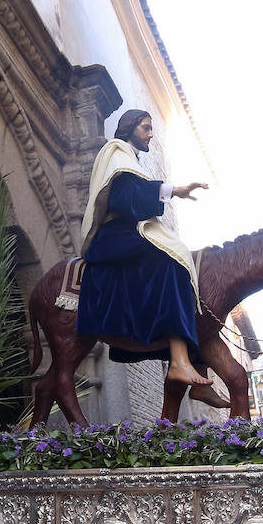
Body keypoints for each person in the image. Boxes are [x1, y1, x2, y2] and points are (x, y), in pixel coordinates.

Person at [78, 109, 211, 388]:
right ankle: (177, 361)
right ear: (129, 128)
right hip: (115, 234)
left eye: (151, 128)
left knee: (178, 257)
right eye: (146, 127)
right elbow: (127, 199)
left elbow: (137, 196)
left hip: (128, 231)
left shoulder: (130, 159)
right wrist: (174, 190)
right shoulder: (116, 152)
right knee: (171, 261)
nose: (150, 133)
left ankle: (192, 362)